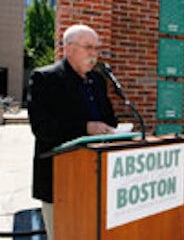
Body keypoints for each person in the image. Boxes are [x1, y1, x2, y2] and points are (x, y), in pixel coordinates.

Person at [27, 24, 118, 239]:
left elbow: (109, 118)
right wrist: (85, 128)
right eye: (88, 47)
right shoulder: (45, 79)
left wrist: (114, 128)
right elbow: (42, 127)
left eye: (97, 48)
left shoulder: (97, 81)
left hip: (95, 174)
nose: (94, 54)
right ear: (68, 49)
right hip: (59, 178)